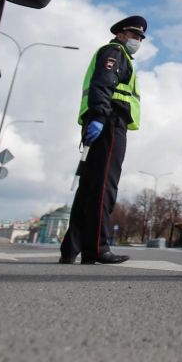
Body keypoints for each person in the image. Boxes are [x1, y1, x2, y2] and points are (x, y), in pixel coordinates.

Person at [60, 16, 146, 265]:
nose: (137, 40)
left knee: (88, 188)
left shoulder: (120, 54)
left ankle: (72, 248)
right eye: (133, 34)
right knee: (103, 188)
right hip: (109, 122)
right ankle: (98, 247)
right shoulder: (115, 52)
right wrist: (98, 115)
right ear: (120, 34)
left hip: (102, 121)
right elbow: (103, 84)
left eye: (140, 37)